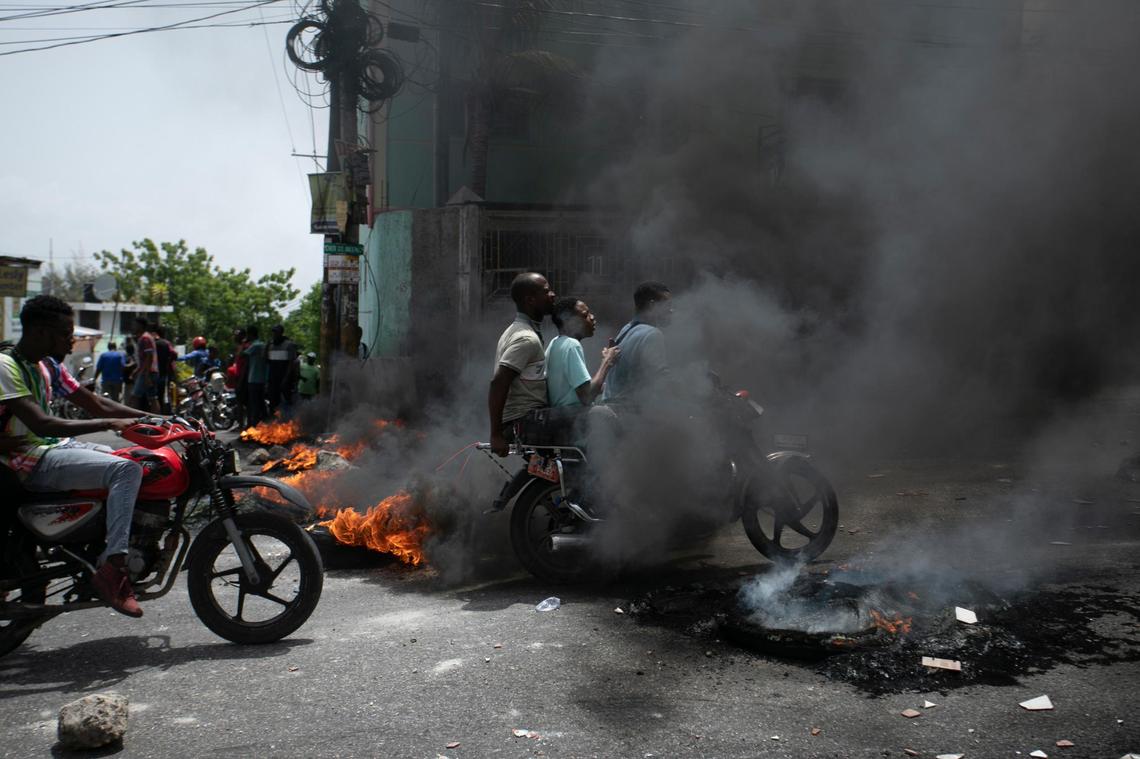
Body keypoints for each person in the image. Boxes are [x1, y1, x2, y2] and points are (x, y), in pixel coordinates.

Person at [0, 295, 145, 617]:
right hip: (24, 459)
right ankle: (114, 566)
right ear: (40, 331)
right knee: (125, 470)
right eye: (65, 333)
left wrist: (157, 420)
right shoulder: (5, 365)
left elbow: (96, 403)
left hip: (49, 448)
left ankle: (90, 543)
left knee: (120, 454)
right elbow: (42, 422)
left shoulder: (47, 365)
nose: (72, 340)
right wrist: (110, 423)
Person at [488, 272, 556, 456]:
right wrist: (495, 435)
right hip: (524, 420)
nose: (553, 295)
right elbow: (499, 382)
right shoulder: (526, 338)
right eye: (546, 291)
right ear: (530, 300)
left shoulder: (518, 330)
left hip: (525, 418)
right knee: (592, 418)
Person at [600, 281, 672, 406]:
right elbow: (660, 383)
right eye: (667, 305)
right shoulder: (653, 334)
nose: (671, 311)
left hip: (610, 407)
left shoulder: (625, 330)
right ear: (652, 306)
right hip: (629, 414)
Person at [545, 297, 620, 407]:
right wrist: (607, 361)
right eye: (585, 315)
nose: (592, 317)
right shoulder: (571, 345)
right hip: (570, 419)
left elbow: (573, 391)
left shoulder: (554, 342)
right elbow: (587, 396)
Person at [266, 325, 298, 416]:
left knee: (286, 402)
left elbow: (291, 364)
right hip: (273, 379)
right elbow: (266, 360)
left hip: (285, 379)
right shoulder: (271, 345)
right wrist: (267, 347)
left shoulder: (289, 345)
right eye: (273, 332)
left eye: (276, 332)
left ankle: (288, 422)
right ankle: (274, 424)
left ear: (281, 333)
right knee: (273, 402)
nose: (274, 334)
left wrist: (286, 379)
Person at [130, 317, 159, 413]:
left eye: (135, 325)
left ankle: (132, 419)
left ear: (141, 326)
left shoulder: (145, 338)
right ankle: (159, 420)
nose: (133, 327)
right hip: (148, 372)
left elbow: (149, 357)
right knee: (152, 398)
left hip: (147, 373)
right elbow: (144, 360)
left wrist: (146, 375)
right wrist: (137, 370)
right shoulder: (145, 337)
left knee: (135, 397)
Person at [243, 325, 268, 426]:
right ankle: (265, 424)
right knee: (261, 403)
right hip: (262, 379)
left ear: (250, 334)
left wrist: (244, 342)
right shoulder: (263, 345)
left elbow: (242, 355)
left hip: (253, 379)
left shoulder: (254, 346)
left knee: (254, 405)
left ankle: (255, 426)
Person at [154, 325, 175, 414]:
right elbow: (174, 354)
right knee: (162, 394)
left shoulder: (153, 342)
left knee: (153, 395)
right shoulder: (166, 343)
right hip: (163, 372)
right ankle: (162, 412)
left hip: (153, 372)